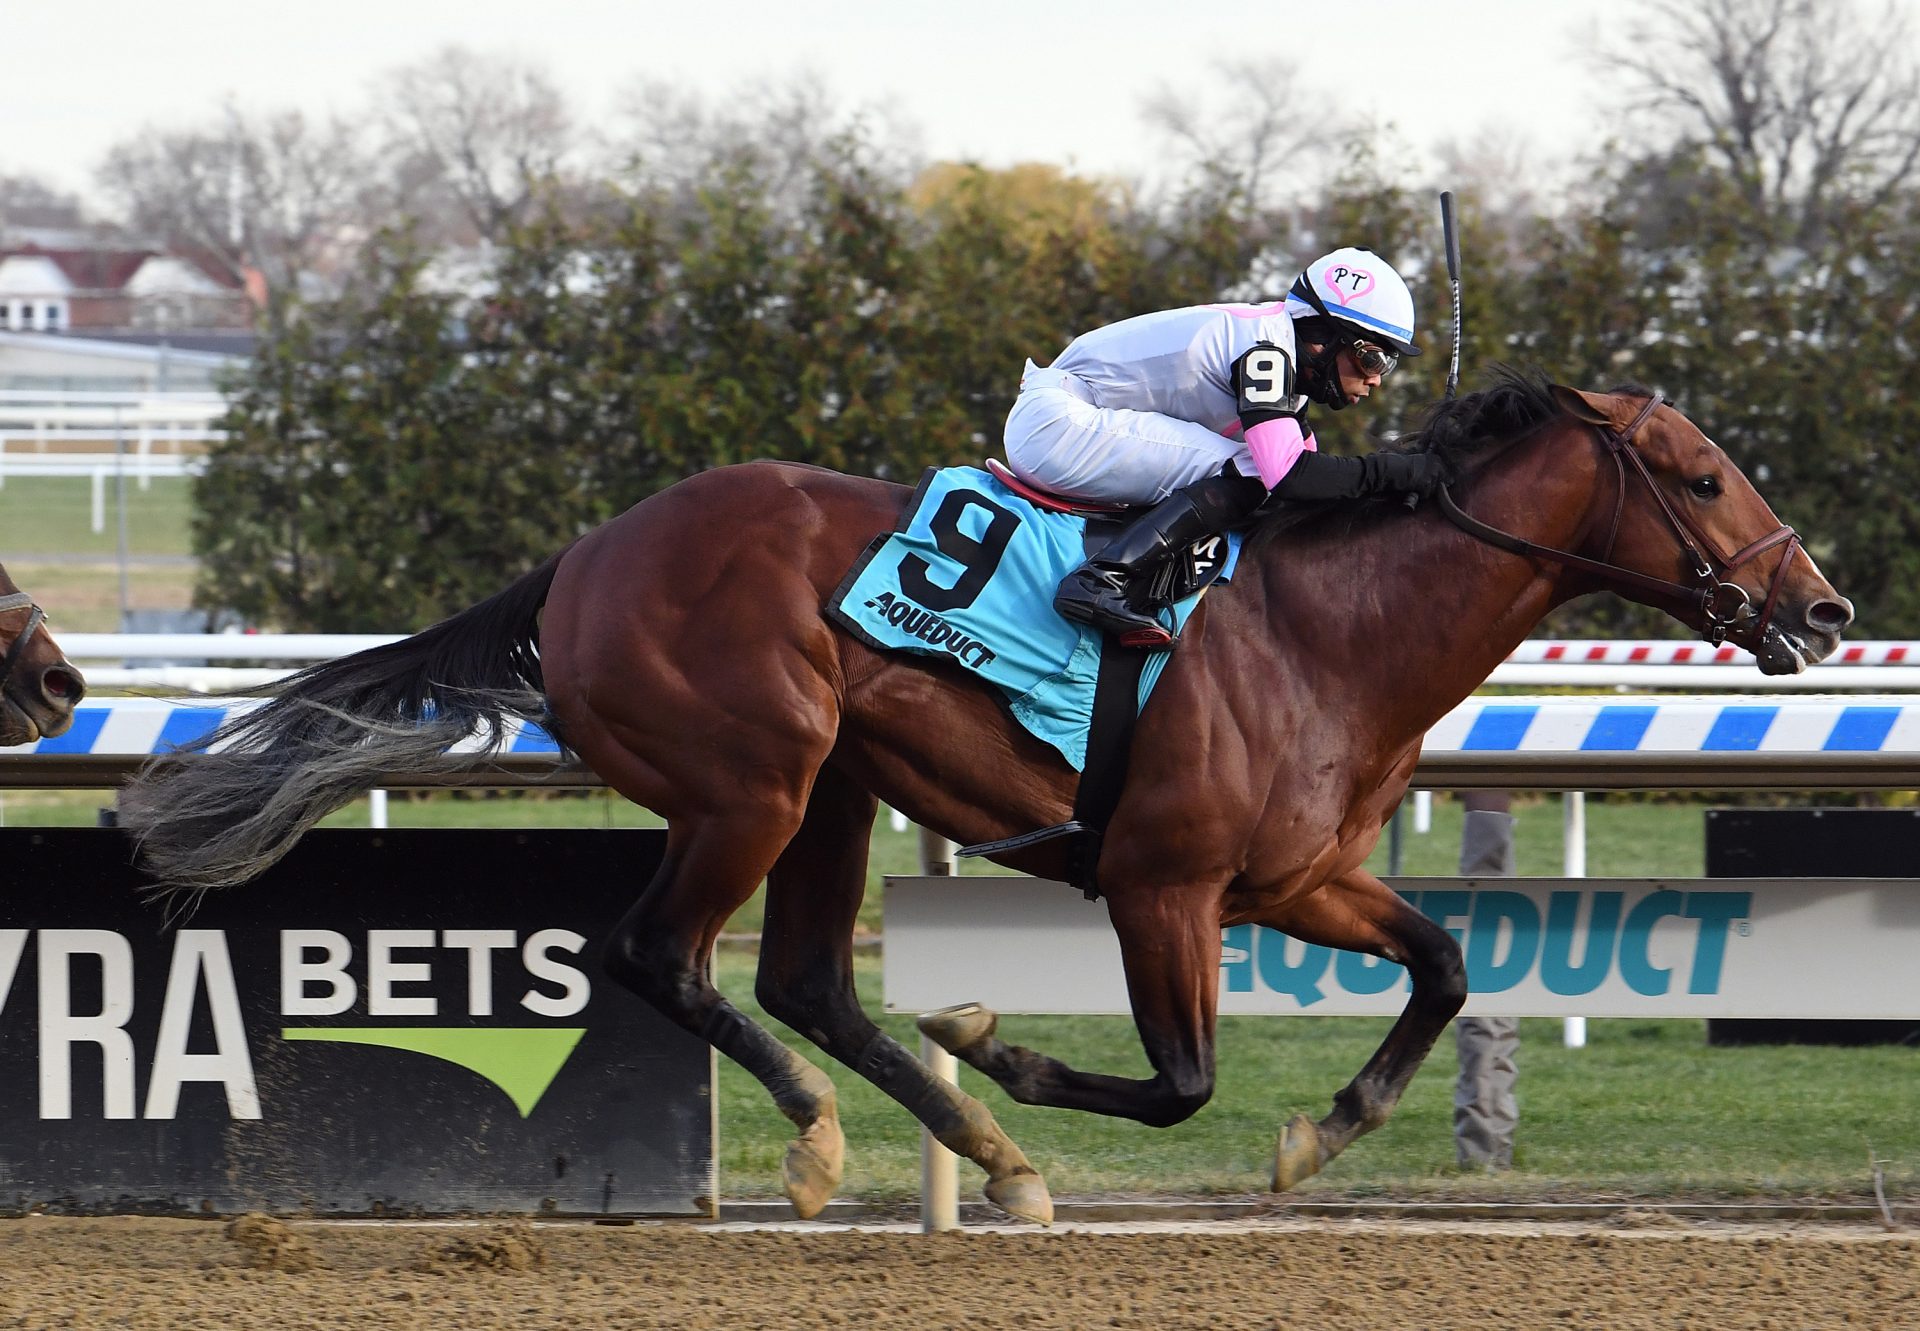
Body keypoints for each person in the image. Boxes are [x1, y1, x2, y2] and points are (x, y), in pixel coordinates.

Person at [1003, 246, 1446, 647]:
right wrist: (1399, 471)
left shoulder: (1284, 364)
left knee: (1261, 476)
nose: (1376, 379)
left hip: (1069, 420)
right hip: (1055, 425)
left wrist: (1397, 485)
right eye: (1373, 358)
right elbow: (1289, 474)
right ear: (1323, 337)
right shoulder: (1266, 352)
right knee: (1253, 470)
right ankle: (1101, 580)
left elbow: (1315, 476)